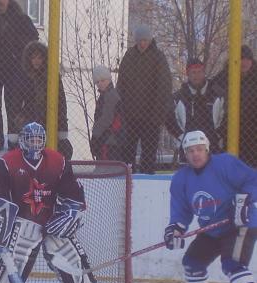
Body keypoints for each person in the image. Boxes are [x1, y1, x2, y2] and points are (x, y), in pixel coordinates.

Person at [0, 122, 111, 283]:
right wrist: (0, 219)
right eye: (30, 139)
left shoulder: (57, 161)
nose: (35, 143)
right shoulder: (8, 162)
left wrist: (69, 214)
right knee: (24, 237)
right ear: (22, 141)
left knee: (63, 248)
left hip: (51, 220)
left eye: (38, 139)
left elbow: (73, 193)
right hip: (22, 220)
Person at [164, 130, 257, 283]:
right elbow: (181, 211)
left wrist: (245, 201)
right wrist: (176, 230)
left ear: (207, 150)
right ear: (185, 154)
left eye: (199, 149)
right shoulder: (181, 179)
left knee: (232, 262)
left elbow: (252, 180)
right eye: (190, 151)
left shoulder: (225, 164)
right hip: (213, 228)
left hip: (240, 223)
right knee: (192, 263)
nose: (195, 154)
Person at [0, 0, 38, 155]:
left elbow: (33, 39)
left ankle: (13, 142)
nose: (1, 2)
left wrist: (16, 45)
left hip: (14, 70)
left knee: (14, 107)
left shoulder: (21, 19)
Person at [116, 24, 172, 174]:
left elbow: (164, 87)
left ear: (150, 40)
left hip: (150, 117)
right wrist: (121, 110)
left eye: (145, 40)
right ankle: (128, 179)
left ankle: (148, 178)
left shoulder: (158, 57)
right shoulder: (129, 56)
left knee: (149, 154)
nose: (142, 43)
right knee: (128, 152)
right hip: (131, 115)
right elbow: (121, 83)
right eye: (140, 40)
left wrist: (158, 115)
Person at [17, 41, 73, 160]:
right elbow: (18, 101)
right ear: (29, 59)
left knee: (54, 153)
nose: (36, 61)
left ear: (44, 59)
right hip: (31, 121)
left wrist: (62, 125)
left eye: (39, 57)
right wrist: (20, 120)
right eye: (33, 58)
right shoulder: (25, 76)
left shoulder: (52, 75)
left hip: (50, 119)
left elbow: (61, 101)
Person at [166, 58, 225, 157]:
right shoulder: (178, 97)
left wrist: (218, 135)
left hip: (214, 146)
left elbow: (226, 117)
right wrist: (181, 136)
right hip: (188, 146)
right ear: (187, 74)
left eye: (199, 72)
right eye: (193, 72)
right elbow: (169, 120)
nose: (197, 76)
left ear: (204, 72)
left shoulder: (218, 95)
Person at [213, 45, 257, 168]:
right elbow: (214, 92)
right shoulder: (224, 76)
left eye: (247, 59)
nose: (244, 62)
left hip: (252, 129)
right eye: (241, 58)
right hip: (230, 128)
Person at [91, 65, 123, 161]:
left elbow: (106, 119)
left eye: (103, 80)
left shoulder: (110, 95)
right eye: (97, 82)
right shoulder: (105, 95)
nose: (100, 84)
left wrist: (95, 135)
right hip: (107, 138)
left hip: (109, 140)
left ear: (109, 79)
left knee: (105, 167)